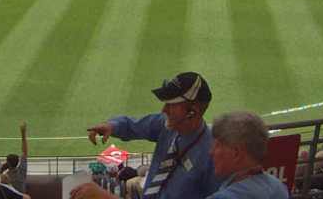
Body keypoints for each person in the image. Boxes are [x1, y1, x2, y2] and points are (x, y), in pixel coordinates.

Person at [77, 72, 218, 199]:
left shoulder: (212, 156)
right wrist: (111, 126)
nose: (164, 110)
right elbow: (133, 125)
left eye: (171, 105)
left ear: (192, 112)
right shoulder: (166, 125)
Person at [202, 111, 287, 199]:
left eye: (217, 145)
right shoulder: (278, 187)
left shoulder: (224, 197)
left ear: (236, 153)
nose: (211, 152)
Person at [3, 122, 28, 193]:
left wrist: (2, 169)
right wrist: (23, 134)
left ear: (8, 163)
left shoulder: (5, 177)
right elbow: (25, 152)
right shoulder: (22, 171)